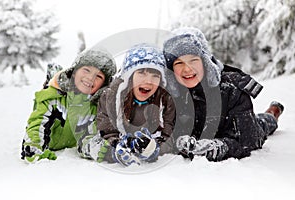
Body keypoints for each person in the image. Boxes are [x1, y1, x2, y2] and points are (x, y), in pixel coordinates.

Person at [163, 27, 284, 162]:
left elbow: (249, 141)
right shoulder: (170, 94)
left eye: (193, 60)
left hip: (242, 127)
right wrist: (180, 143)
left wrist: (219, 147)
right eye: (179, 63)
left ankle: (272, 113)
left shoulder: (231, 89)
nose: (187, 68)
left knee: (262, 124)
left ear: (205, 62)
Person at [21, 47, 117, 162]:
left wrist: (98, 149)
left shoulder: (94, 108)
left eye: (99, 76)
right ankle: (53, 77)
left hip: (71, 135)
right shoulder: (53, 97)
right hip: (53, 128)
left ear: (103, 85)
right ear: (74, 71)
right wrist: (34, 148)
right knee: (49, 91)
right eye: (87, 70)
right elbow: (37, 125)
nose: (90, 78)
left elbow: (88, 138)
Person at [93, 43, 175, 166]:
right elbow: (105, 130)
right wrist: (116, 144)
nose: (148, 81)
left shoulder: (166, 99)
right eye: (141, 72)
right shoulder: (111, 96)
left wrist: (154, 148)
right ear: (129, 76)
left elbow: (169, 136)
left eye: (155, 75)